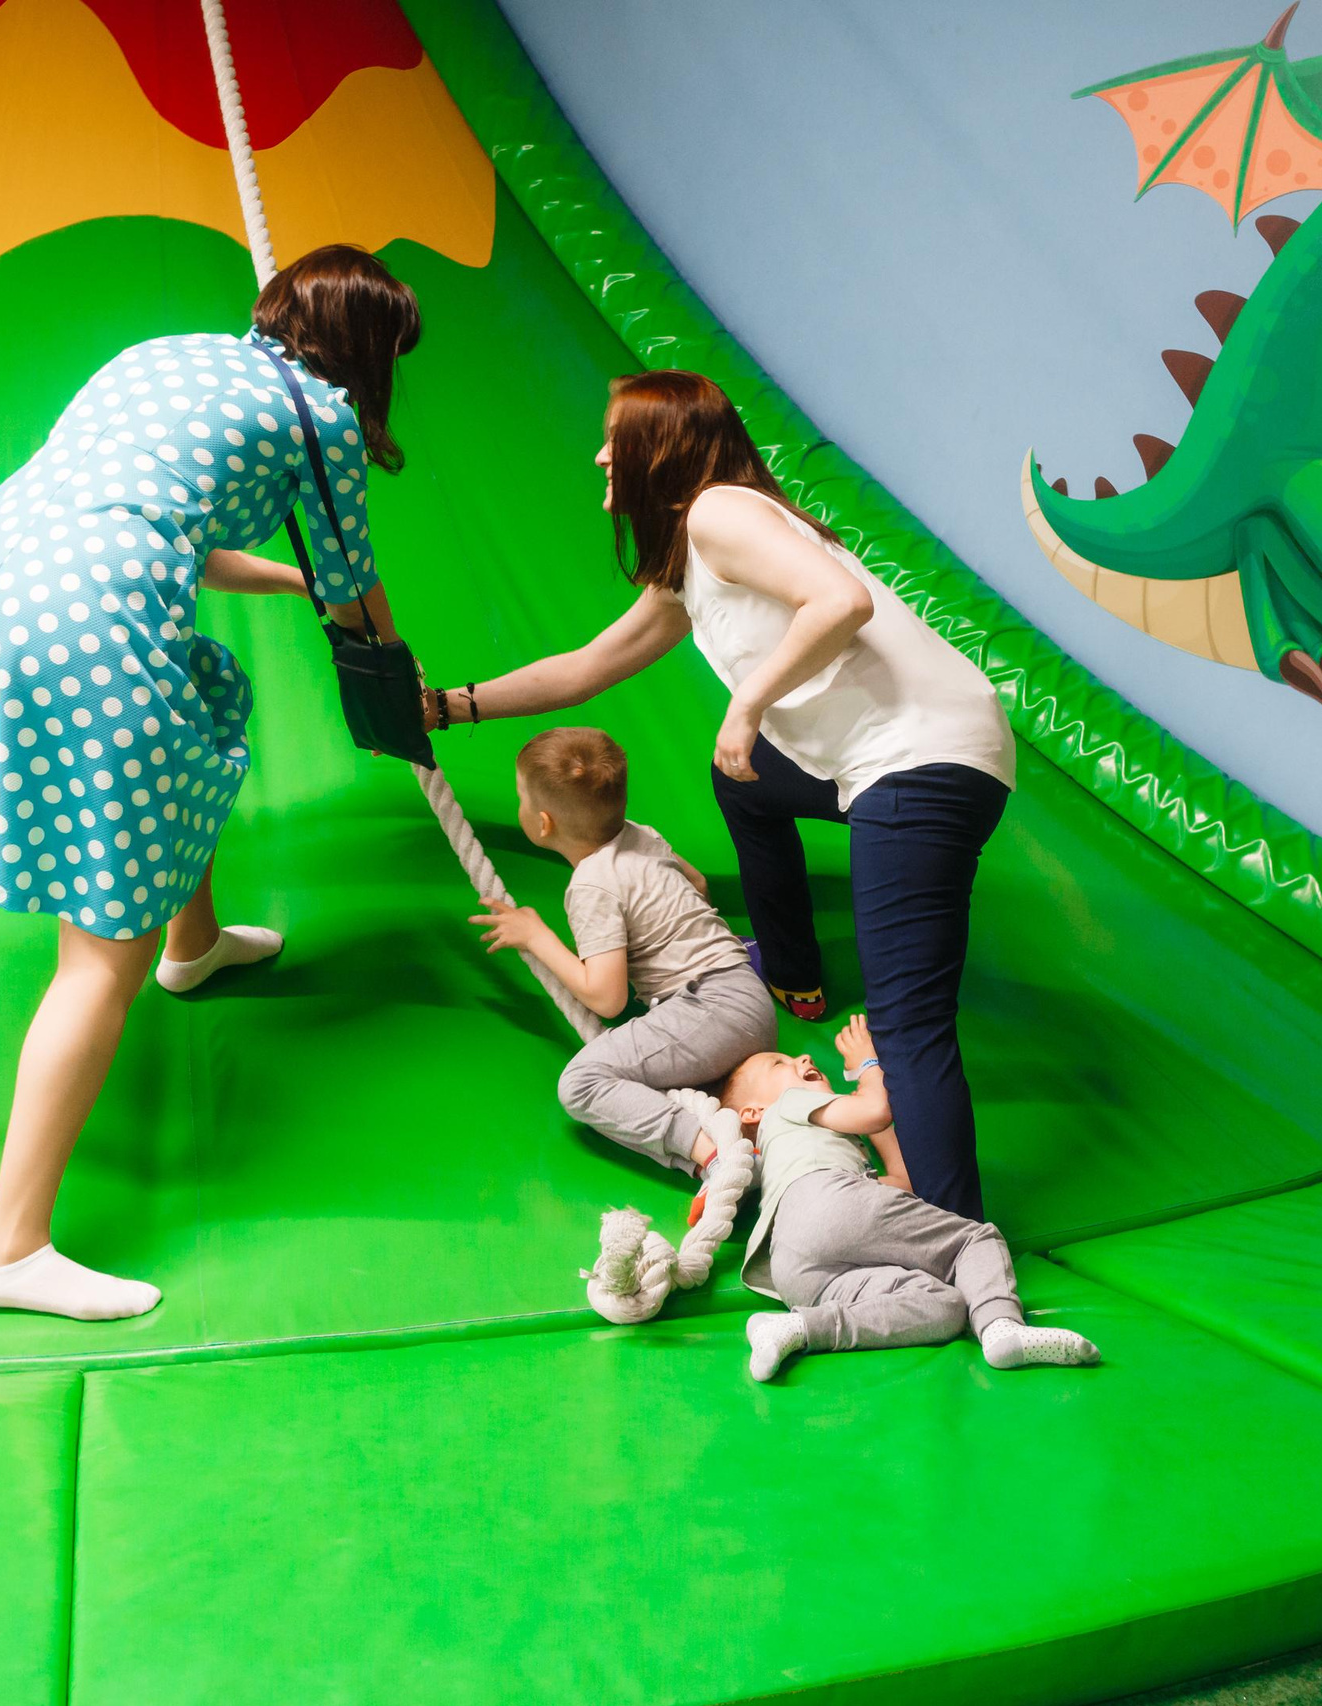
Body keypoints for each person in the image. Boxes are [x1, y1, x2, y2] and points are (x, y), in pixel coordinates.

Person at [0, 245, 421, 1320]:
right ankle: (10, 1249)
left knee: (199, 715)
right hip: (90, 618)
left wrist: (295, 580)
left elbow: (168, 528)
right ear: (368, 349)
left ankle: (194, 948)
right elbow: (356, 597)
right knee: (98, 958)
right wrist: (401, 685)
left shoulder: (167, 356)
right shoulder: (321, 418)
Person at [427, 371, 1016, 1217]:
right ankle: (793, 973)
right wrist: (450, 707)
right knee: (742, 778)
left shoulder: (719, 511)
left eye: (613, 439)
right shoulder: (688, 561)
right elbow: (586, 667)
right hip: (892, 757)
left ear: (658, 450)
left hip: (922, 764)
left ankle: (954, 1233)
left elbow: (840, 600)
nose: (599, 454)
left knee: (908, 1025)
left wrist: (747, 703)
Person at [469, 727, 776, 1179]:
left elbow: (606, 998)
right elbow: (699, 886)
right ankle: (736, 1136)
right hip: (744, 994)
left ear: (543, 823)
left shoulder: (591, 884)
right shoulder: (641, 834)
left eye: (521, 798)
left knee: (581, 1084)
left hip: (713, 1008)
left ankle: (710, 1154)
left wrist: (537, 936)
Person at [723, 1018, 1099, 1383]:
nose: (803, 1059)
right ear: (753, 1112)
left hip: (792, 1272)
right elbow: (876, 1110)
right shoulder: (787, 1104)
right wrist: (866, 1066)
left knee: (946, 1307)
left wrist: (870, 1113)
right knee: (973, 1240)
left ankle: (799, 1328)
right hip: (829, 1203)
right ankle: (1002, 1325)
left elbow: (900, 1181)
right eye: (781, 1062)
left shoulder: (795, 1150)